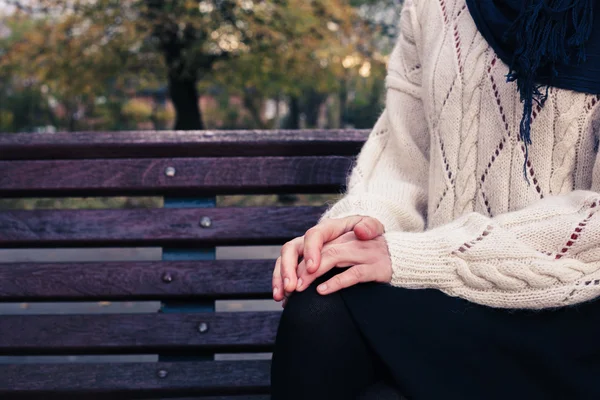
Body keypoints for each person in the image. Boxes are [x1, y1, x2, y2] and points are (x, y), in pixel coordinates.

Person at [270, 0, 600, 399]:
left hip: (576, 310)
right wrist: (358, 228)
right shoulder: (433, 7)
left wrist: (427, 255)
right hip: (449, 298)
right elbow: (402, 162)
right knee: (320, 302)